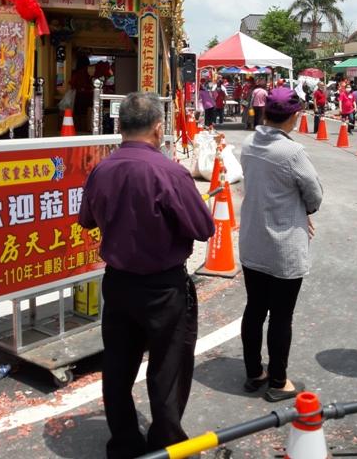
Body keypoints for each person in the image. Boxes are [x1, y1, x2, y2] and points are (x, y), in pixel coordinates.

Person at [79, 92, 215, 458]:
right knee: (168, 369)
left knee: (118, 366)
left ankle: (124, 443)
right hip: (163, 287)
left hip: (118, 283)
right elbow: (203, 228)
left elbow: (87, 219)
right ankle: (165, 444)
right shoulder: (169, 172)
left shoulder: (102, 169)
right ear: (158, 128)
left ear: (120, 127)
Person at [239, 88, 323, 402]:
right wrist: (305, 211)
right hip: (283, 245)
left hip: (253, 240)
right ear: (294, 116)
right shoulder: (292, 152)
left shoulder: (249, 143)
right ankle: (278, 380)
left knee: (255, 308)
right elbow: (314, 193)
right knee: (281, 315)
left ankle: (254, 373)